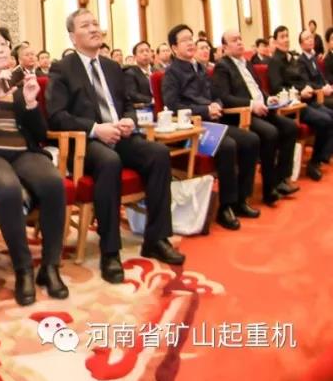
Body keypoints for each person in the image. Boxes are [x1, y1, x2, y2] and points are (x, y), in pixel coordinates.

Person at [46, 9, 183, 283]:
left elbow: (128, 103)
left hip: (120, 135)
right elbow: (57, 115)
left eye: (95, 23)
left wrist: (129, 120)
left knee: (158, 154)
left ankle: (156, 238)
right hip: (86, 141)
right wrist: (96, 129)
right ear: (73, 36)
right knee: (110, 162)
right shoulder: (62, 68)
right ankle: (110, 251)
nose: (94, 28)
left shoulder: (111, 67)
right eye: (85, 25)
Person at [0, 24, 68, 305]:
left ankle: (50, 267)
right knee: (8, 189)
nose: (0, 49)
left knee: (54, 183)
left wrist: (30, 103)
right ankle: (24, 269)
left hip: (22, 152)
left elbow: (40, 134)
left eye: (4, 44)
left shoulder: (22, 83)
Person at [161, 24, 260, 230]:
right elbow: (173, 105)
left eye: (191, 38)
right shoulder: (171, 74)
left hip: (212, 123)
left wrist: (217, 105)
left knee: (251, 140)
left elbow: (216, 95)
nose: (190, 43)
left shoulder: (200, 68)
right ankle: (226, 206)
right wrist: (205, 110)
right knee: (228, 146)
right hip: (191, 129)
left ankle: (242, 199)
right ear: (174, 48)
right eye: (184, 40)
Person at [212, 30, 299, 207]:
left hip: (262, 108)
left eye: (240, 38)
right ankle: (269, 188)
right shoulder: (223, 67)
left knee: (290, 126)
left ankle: (281, 178)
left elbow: (257, 89)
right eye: (234, 40)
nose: (239, 42)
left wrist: (268, 98)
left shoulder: (247, 63)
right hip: (242, 114)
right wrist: (252, 105)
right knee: (270, 132)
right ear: (225, 47)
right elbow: (225, 98)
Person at [269, 25, 333, 180]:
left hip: (306, 100)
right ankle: (314, 162)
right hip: (293, 106)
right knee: (325, 120)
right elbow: (277, 87)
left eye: (287, 36)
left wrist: (306, 87)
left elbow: (301, 80)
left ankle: (322, 157)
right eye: (282, 37)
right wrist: (299, 92)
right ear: (275, 42)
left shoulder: (291, 58)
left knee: (331, 116)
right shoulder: (275, 62)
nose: (286, 40)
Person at [123, 41, 155, 109]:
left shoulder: (156, 71)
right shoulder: (130, 73)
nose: (145, 53)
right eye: (141, 51)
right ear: (135, 57)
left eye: (147, 51)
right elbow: (133, 94)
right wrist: (152, 100)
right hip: (143, 109)